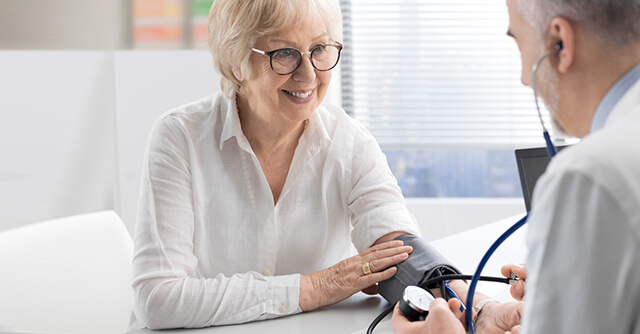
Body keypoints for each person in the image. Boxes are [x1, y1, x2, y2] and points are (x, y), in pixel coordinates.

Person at [129, 0, 521, 331]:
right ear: (235, 64)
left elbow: (401, 253)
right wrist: (317, 287)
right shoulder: (178, 138)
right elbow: (158, 297)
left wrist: (483, 311)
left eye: (320, 49)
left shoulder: (349, 140)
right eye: (283, 53)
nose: (309, 73)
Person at [391, 0, 640, 333]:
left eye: (518, 41)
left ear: (560, 42)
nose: (525, 79)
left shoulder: (588, 176)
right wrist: (577, 286)